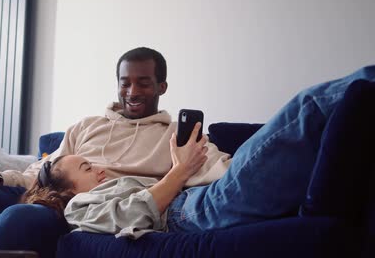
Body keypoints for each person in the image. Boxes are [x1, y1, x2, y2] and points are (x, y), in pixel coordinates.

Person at [0, 47, 229, 248]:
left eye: (144, 82)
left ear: (162, 87)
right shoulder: (86, 126)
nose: (132, 91)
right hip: (50, 193)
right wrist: (2, 179)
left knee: (18, 219)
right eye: (125, 82)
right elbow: (42, 172)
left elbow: (224, 172)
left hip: (87, 210)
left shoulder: (177, 135)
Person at [20, 66, 375, 238]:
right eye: (85, 167)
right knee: (309, 107)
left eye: (143, 82)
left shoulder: (164, 134)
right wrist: (179, 171)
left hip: (200, 197)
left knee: (320, 133)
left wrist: (190, 166)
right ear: (67, 192)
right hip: (192, 211)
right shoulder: (80, 209)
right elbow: (134, 214)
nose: (97, 167)